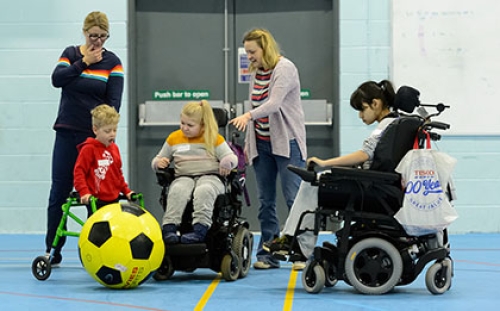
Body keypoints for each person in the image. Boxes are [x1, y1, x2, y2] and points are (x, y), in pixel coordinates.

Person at [263, 80, 399, 267]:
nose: (360, 116)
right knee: (316, 181)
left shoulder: (385, 126)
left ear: (376, 103)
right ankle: (293, 240)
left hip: (369, 189)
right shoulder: (397, 123)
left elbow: (364, 155)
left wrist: (325, 163)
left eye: (362, 109)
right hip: (377, 185)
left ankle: (298, 244)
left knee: (312, 183)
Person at [44, 11, 124, 266]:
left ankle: (102, 248)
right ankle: (52, 249)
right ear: (84, 32)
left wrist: (106, 135)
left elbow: (113, 104)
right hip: (67, 133)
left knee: (99, 193)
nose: (98, 41)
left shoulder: (113, 62)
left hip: (94, 140)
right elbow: (57, 79)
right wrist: (84, 62)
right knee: (59, 192)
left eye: (103, 36)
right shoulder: (70, 54)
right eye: (93, 36)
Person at [229, 28, 307, 269]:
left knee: (294, 198)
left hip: (287, 143)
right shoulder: (256, 71)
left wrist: (248, 116)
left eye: (252, 51)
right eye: (247, 52)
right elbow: (258, 101)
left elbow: (273, 104)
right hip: (262, 144)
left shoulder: (285, 68)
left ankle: (301, 252)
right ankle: (268, 254)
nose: (249, 56)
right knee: (266, 201)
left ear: (265, 48)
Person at [151, 100, 238, 244]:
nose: (184, 128)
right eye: (182, 123)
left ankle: (199, 230)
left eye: (190, 125)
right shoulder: (174, 138)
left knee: (204, 190)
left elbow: (231, 158)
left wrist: (226, 162)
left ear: (203, 125)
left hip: (211, 176)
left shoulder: (214, 138)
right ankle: (169, 229)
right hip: (184, 176)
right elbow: (159, 158)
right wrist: (158, 163)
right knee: (177, 190)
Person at [73, 104, 133, 215]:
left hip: (113, 198)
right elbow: (79, 172)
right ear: (95, 130)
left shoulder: (114, 148)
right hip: (95, 200)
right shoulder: (89, 148)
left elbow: (118, 174)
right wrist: (84, 192)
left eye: (115, 130)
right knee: (98, 229)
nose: (112, 134)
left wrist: (126, 191)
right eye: (107, 131)